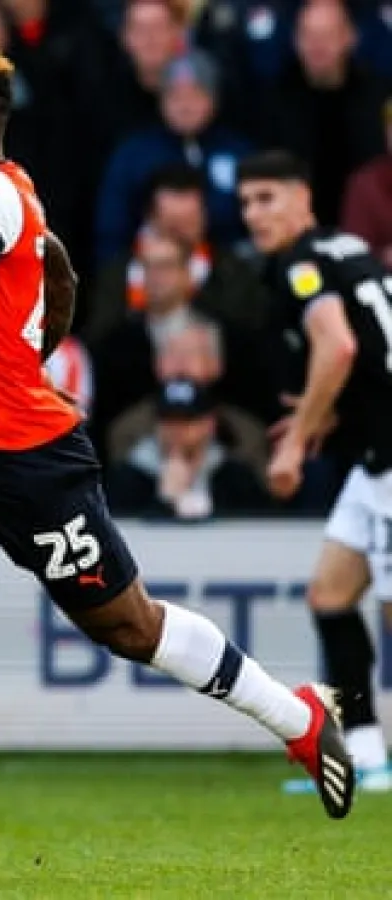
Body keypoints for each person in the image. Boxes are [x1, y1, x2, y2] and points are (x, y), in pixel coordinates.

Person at [0, 42, 354, 839]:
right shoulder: (0, 200)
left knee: (129, 629)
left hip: (29, 464)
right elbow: (61, 276)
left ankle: (298, 716)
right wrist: (25, 360)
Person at [238, 149, 392, 795]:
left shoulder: (301, 262)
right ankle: (365, 751)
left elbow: (340, 344)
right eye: (246, 202)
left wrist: (295, 443)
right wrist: (333, 409)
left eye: (268, 197)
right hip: (373, 456)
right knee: (330, 594)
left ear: (304, 198)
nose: (254, 214)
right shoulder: (348, 246)